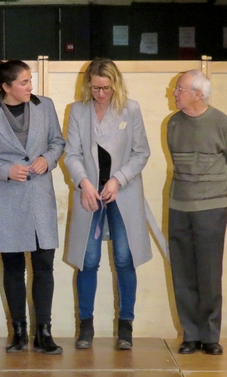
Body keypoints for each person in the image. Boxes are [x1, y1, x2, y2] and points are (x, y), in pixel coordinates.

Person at [64, 58, 153, 351]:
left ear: (115, 85)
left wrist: (118, 179)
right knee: (88, 261)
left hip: (122, 194)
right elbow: (72, 154)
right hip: (89, 195)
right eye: (95, 88)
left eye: (106, 88)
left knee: (125, 259)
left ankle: (125, 326)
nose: (100, 94)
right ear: (87, 85)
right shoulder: (77, 111)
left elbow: (141, 153)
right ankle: (85, 327)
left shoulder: (131, 109)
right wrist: (84, 182)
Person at [0, 60, 65, 355]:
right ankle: (18, 332)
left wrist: (47, 159)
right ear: (6, 87)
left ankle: (44, 332)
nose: (30, 87)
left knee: (44, 265)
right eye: (24, 82)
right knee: (13, 268)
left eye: (30, 81)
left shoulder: (46, 106)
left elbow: (58, 142)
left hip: (39, 195)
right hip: (6, 197)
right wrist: (5, 171)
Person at [167, 69, 227, 356]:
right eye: (176, 89)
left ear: (198, 94)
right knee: (183, 272)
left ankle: (210, 336)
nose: (174, 93)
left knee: (210, 273)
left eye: (179, 89)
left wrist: (214, 190)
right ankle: (190, 335)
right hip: (178, 206)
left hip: (211, 209)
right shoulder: (173, 124)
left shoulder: (222, 123)